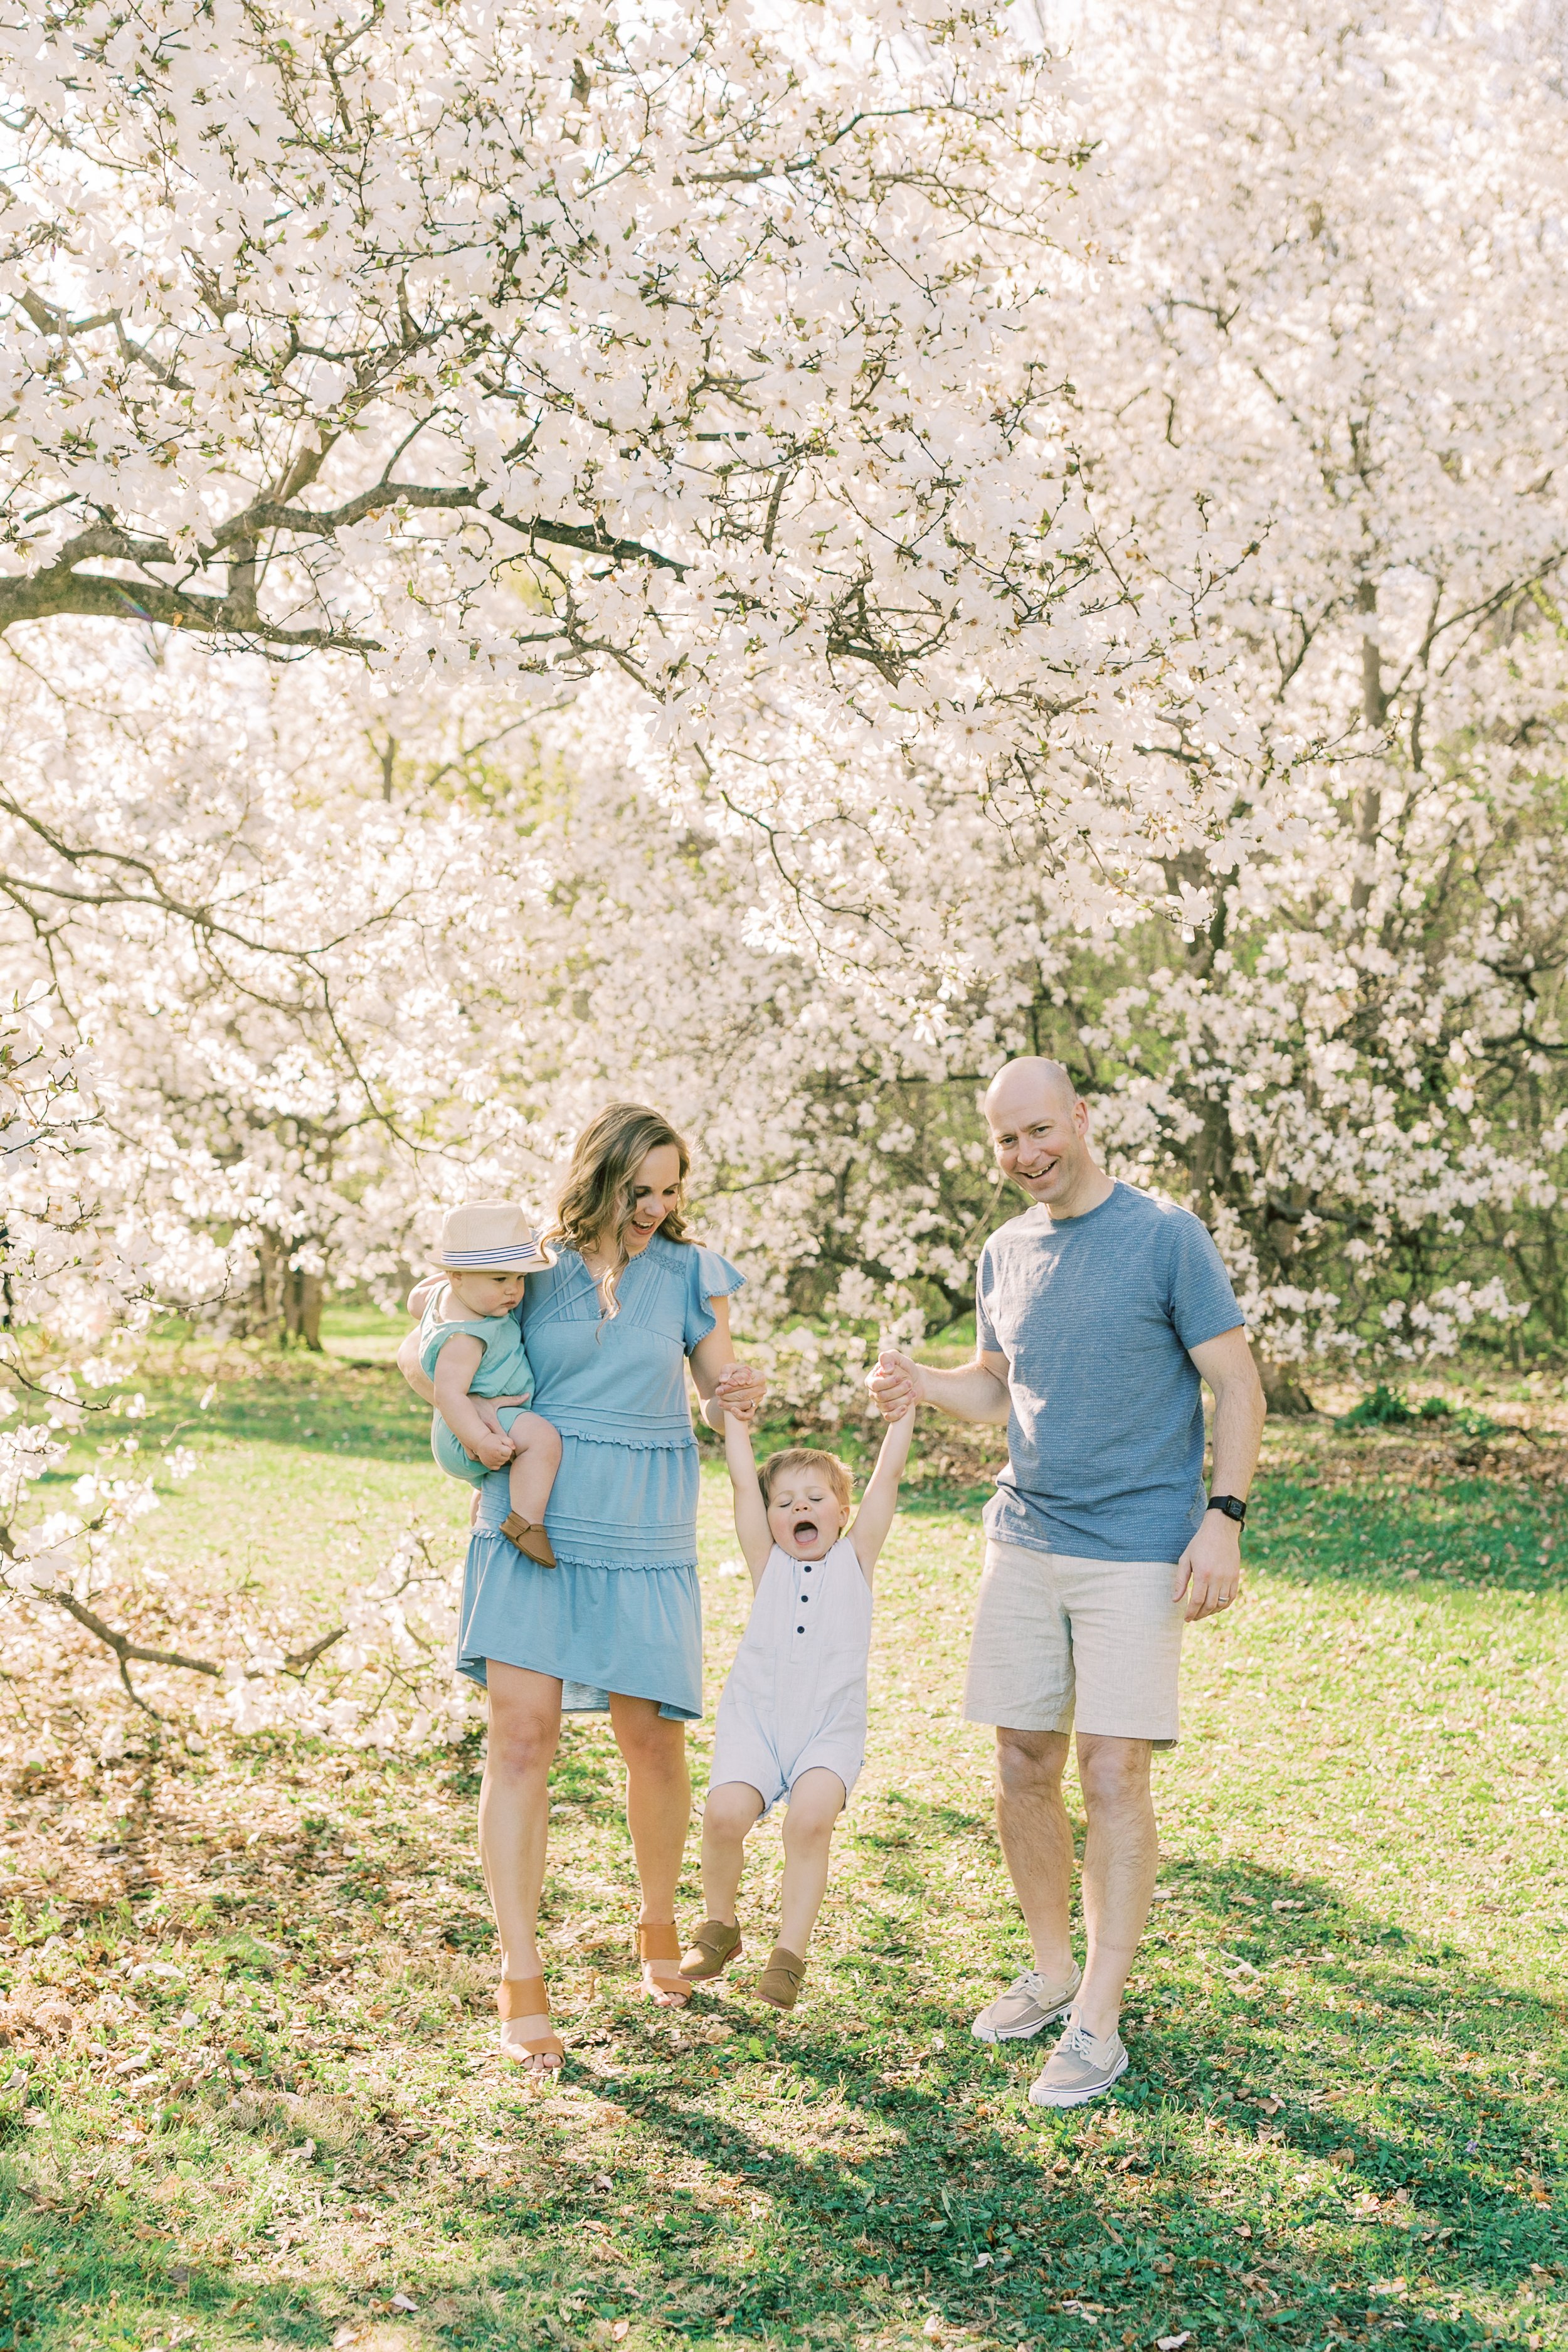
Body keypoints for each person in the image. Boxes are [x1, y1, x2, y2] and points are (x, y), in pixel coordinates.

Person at [869, 1057, 1265, 2109]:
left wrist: (1222, 1520)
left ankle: (1098, 2015)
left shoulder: (1165, 1235)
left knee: (1112, 1772)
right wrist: (923, 1384)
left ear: (1082, 1120)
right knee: (1021, 1757)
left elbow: (1236, 1383)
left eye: (1041, 1131)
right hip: (1025, 1535)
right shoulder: (1005, 1251)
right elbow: (999, 1393)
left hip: (1138, 1544)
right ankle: (1051, 1970)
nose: (1027, 1156)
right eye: (1007, 1141)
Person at [398, 1103, 764, 2072]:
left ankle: (656, 1921)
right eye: (639, 1189)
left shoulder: (692, 1273)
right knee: (522, 1740)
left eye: (671, 1188)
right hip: (534, 1520)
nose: (655, 1207)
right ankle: (520, 1975)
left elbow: (719, 1376)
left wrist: (739, 1391)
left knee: (654, 1739)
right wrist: (459, 1403)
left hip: (644, 1526)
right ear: (598, 1178)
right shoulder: (533, 1264)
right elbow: (432, 1335)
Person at [679, 1400, 915, 2011]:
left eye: (814, 1498)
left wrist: (902, 1412)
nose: (799, 1509)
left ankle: (788, 1954)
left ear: (842, 1513)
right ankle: (720, 1925)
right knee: (723, 1816)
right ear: (770, 1519)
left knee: (809, 1820)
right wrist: (734, 1418)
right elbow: (739, 1482)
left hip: (827, 1731)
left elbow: (886, 1479)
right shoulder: (769, 1562)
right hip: (755, 1723)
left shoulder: (855, 1559)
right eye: (784, 1503)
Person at [415, 1202, 562, 1567]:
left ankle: (483, 1507)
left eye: (520, 1278)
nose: (513, 1291)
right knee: (543, 1439)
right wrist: (479, 1441)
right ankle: (526, 1523)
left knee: (500, 1475)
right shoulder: (467, 1336)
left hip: (472, 1425)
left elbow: (415, 1298)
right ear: (457, 1275)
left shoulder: (449, 1298)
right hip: (470, 1428)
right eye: (500, 1279)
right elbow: (448, 1394)